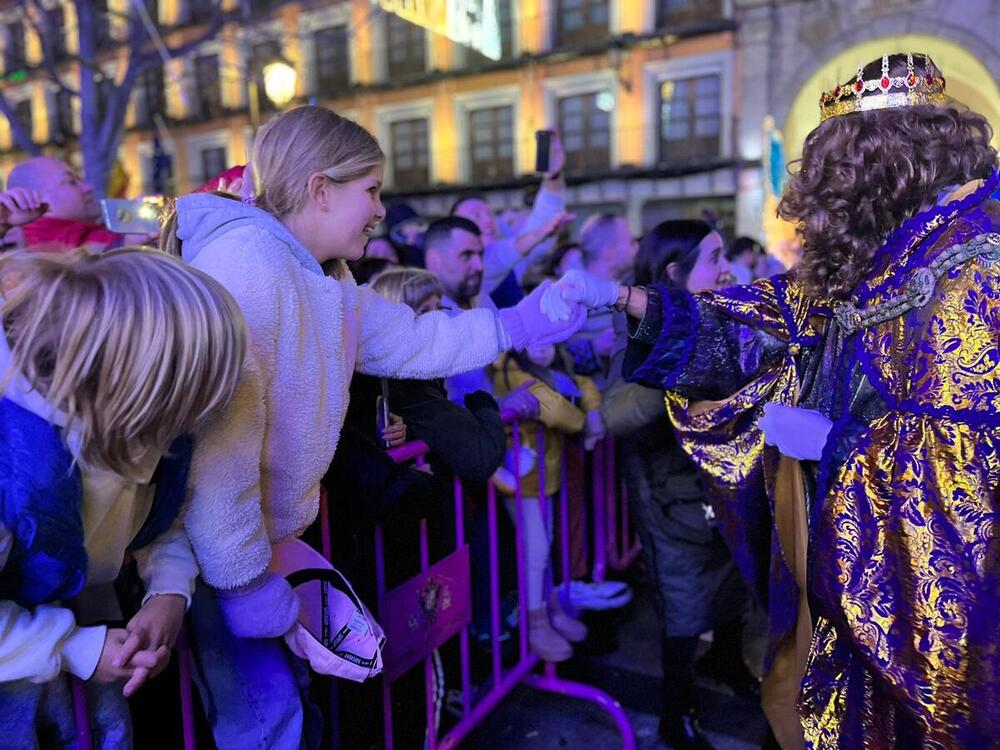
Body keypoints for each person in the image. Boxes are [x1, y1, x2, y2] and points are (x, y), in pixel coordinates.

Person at [554, 52, 999, 748]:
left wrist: (834, 445)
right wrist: (619, 296)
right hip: (850, 576)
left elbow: (963, 470)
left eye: (831, 177)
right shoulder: (884, 256)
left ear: (875, 165)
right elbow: (757, 324)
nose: (820, 202)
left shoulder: (971, 262)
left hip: (926, 614)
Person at [161, 105, 586, 749]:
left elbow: (414, 340)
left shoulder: (316, 274)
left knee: (290, 716)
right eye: (371, 190)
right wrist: (244, 580)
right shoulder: (249, 268)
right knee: (268, 723)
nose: (381, 209)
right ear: (320, 188)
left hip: (260, 547)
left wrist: (520, 322)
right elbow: (218, 447)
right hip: (225, 556)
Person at [0, 247, 245, 748]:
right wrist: (74, 648)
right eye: (193, 389)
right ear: (136, 380)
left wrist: (169, 591)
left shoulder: (136, 430)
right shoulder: (13, 462)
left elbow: (156, 514)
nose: (206, 408)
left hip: (84, 638)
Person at [602, 220, 752, 749]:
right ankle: (675, 711)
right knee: (685, 604)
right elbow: (616, 412)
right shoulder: (649, 328)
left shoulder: (723, 312)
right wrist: (679, 379)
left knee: (736, 581)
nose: (726, 268)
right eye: (713, 258)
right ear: (675, 271)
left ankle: (727, 659)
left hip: (720, 486)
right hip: (670, 498)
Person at [493, 344, 601, 662]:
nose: (541, 349)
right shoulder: (512, 372)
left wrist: (592, 409)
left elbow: (583, 384)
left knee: (545, 543)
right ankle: (535, 622)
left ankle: (550, 608)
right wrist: (584, 418)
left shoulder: (546, 372)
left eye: (548, 340)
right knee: (537, 548)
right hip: (521, 478)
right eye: (533, 340)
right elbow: (559, 412)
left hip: (542, 476)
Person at [423, 216, 543, 421]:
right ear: (435, 260)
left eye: (480, 254)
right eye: (466, 255)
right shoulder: (422, 317)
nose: (479, 265)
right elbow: (433, 410)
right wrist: (497, 407)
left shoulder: (481, 300)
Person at [451, 132, 569, 299]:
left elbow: (544, 215)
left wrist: (553, 176)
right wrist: (539, 233)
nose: (487, 220)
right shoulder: (454, 276)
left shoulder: (512, 260)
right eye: (476, 216)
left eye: (490, 214)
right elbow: (496, 258)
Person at [6, 157, 151, 251]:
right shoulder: (31, 252)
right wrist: (128, 245)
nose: (87, 187)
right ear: (34, 198)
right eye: (71, 182)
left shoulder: (89, 232)